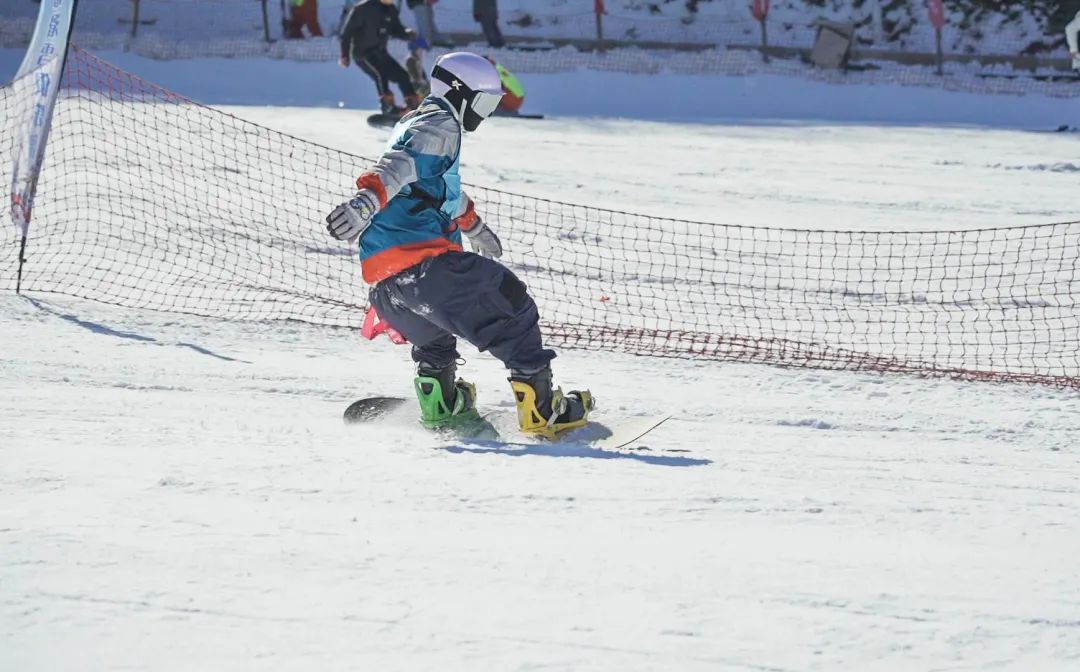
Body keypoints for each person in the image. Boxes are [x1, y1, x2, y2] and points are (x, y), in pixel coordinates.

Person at [324, 52, 592, 437]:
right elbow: (398, 166)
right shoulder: (440, 122)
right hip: (425, 267)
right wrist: (364, 203)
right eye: (482, 103)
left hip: (388, 288)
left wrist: (474, 226)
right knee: (512, 306)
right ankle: (544, 411)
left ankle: (441, 404)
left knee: (436, 338)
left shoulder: (420, 122)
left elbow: (441, 193)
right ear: (458, 93)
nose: (484, 115)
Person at [340, 0, 421, 117]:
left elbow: (395, 28)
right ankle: (388, 108)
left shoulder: (391, 9)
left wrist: (407, 34)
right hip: (363, 54)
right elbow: (347, 33)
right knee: (380, 74)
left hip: (381, 53)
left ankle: (413, 107)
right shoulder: (362, 9)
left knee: (402, 75)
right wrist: (345, 54)